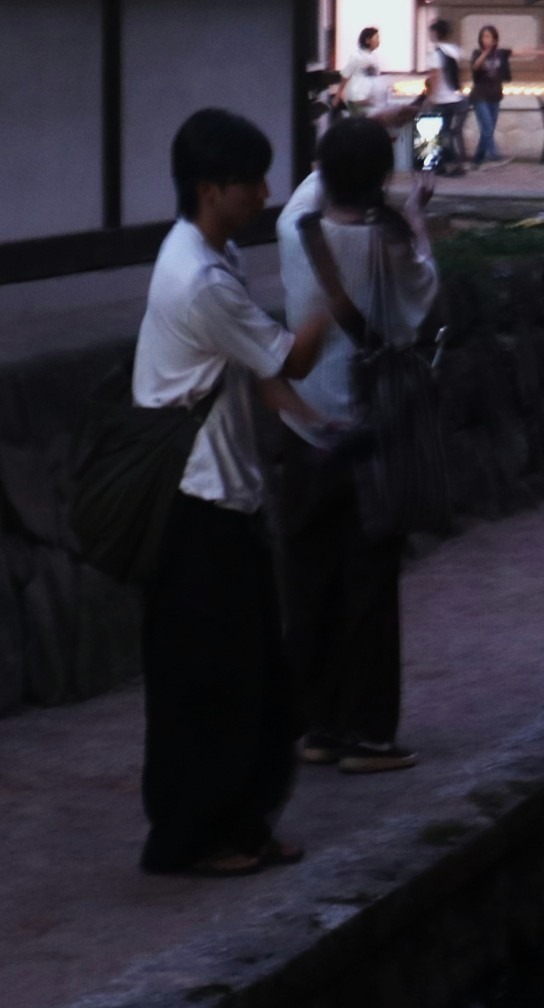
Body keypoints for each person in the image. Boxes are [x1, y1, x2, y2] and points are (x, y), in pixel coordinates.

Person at [133, 109, 331, 877]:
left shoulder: (200, 251)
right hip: (197, 504)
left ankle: (241, 822)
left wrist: (319, 427)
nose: (264, 193)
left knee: (247, 674)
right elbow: (291, 359)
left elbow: (261, 378)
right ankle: (193, 835)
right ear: (213, 189)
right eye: (251, 181)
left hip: (219, 495)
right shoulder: (203, 277)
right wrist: (335, 279)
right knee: (211, 681)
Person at [276, 117, 439, 775]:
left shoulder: (295, 229)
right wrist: (415, 213)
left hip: (308, 429)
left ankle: (316, 724)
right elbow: (421, 303)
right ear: (378, 177)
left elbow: (319, 183)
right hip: (373, 432)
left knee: (309, 577)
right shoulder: (391, 243)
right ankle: (368, 734)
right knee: (369, 583)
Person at [424, 19, 467, 177]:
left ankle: (450, 164)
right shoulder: (455, 50)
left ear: (435, 33)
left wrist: (430, 97)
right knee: (449, 133)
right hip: (458, 98)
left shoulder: (435, 54)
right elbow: (460, 72)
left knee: (440, 134)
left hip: (441, 99)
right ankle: (445, 165)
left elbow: (434, 77)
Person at [469, 25, 512, 168]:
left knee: (488, 130)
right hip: (480, 97)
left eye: (488, 36)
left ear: (494, 39)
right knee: (487, 129)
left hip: (495, 96)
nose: (485, 39)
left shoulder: (500, 53)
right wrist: (485, 53)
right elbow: (475, 66)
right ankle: (480, 158)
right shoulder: (477, 53)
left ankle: (487, 157)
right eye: (483, 36)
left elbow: (520, 52)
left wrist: (543, 51)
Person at [334, 28, 389, 118]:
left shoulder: (373, 57)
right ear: (367, 40)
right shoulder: (356, 57)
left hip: (369, 99)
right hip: (358, 98)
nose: (379, 41)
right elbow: (345, 75)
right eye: (377, 38)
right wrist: (338, 95)